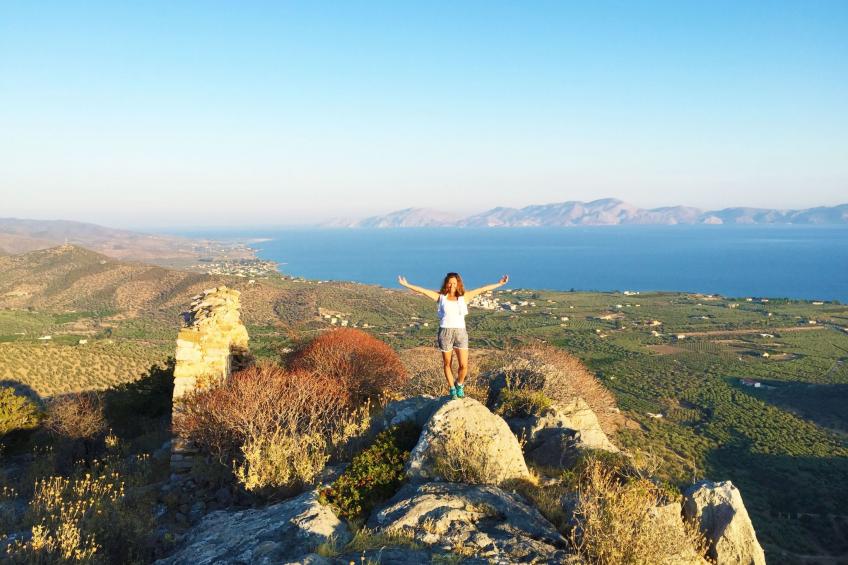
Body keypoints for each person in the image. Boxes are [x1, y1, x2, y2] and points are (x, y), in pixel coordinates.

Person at [398, 272, 509, 399]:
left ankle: (459, 384)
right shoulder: (441, 297)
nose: (452, 285)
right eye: (450, 283)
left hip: (461, 333)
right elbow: (423, 291)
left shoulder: (464, 297)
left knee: (464, 365)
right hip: (445, 332)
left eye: (454, 283)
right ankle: (452, 389)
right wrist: (406, 284)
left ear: (458, 284)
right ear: (446, 283)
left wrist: (500, 284)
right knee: (447, 364)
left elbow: (482, 289)